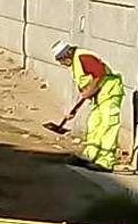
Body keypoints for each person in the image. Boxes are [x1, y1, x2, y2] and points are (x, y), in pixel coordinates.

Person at [51, 40, 125, 171]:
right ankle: (90, 155)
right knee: (94, 124)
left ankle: (106, 162)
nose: (61, 63)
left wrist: (90, 91)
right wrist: (77, 107)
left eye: (61, 60)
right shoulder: (75, 63)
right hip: (100, 96)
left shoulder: (83, 57)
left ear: (67, 54)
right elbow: (87, 86)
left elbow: (100, 73)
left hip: (110, 92)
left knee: (108, 125)